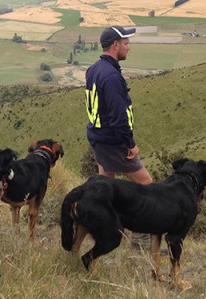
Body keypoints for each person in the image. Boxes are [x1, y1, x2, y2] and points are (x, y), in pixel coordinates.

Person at [85, 25, 152, 250]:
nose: (128, 48)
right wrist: (130, 144)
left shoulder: (94, 69)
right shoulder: (112, 76)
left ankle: (106, 233)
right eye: (125, 43)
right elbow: (118, 116)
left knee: (105, 188)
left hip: (98, 138)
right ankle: (140, 242)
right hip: (113, 142)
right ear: (115, 45)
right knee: (146, 185)